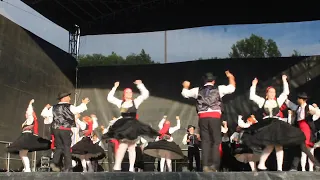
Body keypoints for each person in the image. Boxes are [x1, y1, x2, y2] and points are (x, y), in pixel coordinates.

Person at [242, 75, 320, 171]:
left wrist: (284, 80)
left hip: (276, 124)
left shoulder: (278, 101)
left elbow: (285, 93)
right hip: (267, 124)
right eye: (270, 92)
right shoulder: (262, 101)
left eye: (274, 92)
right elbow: (252, 96)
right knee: (270, 145)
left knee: (278, 145)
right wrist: (253, 85)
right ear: (266, 94)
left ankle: (278, 168)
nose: (272, 94)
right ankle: (262, 163)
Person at [181, 70, 236, 172]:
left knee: (205, 142)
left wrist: (185, 86)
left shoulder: (197, 90)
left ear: (204, 81)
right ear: (214, 81)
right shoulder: (219, 89)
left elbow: (184, 93)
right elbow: (232, 88)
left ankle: (206, 165)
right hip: (215, 117)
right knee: (216, 141)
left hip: (203, 118)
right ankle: (214, 166)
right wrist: (231, 77)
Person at [102, 80, 159, 172]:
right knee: (122, 145)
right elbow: (109, 98)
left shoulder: (135, 102)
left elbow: (145, 94)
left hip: (132, 126)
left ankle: (131, 167)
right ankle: (117, 166)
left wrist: (140, 85)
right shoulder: (120, 103)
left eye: (130, 92)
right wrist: (115, 87)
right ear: (124, 94)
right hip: (124, 125)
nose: (129, 93)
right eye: (127, 92)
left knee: (132, 147)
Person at [41, 92, 90, 172]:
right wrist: (83, 103)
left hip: (56, 129)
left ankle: (54, 163)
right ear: (64, 98)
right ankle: (68, 167)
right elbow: (78, 109)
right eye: (68, 97)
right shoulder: (69, 106)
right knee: (67, 147)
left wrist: (46, 108)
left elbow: (44, 114)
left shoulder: (54, 107)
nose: (70, 99)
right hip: (65, 129)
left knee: (59, 147)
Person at [7, 99, 51, 172]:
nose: (26, 113)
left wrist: (30, 104)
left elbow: (30, 112)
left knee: (22, 153)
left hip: (27, 137)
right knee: (22, 154)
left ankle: (27, 168)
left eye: (26, 112)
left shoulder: (30, 119)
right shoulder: (27, 120)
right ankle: (26, 168)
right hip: (25, 136)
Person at [286, 93, 320, 171]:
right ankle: (295, 167)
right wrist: (285, 99)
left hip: (306, 129)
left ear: (301, 99)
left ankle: (315, 164)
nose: (297, 100)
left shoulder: (309, 107)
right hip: (300, 129)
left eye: (298, 99)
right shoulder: (298, 108)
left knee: (303, 147)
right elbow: (290, 105)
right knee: (300, 147)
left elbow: (318, 113)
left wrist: (315, 110)